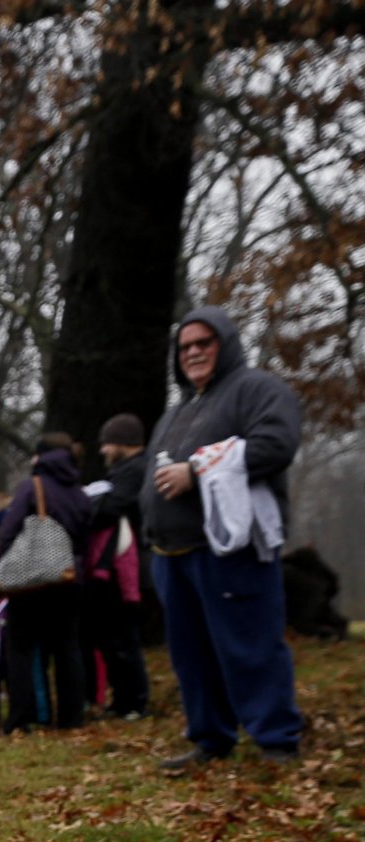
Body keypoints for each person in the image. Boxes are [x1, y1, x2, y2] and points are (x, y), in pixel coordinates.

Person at [139, 305, 305, 770]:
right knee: (192, 656)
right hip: (172, 554)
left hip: (232, 550)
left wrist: (196, 470)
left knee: (250, 644)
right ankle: (211, 738)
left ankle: (276, 739)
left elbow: (277, 444)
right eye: (185, 346)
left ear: (225, 344)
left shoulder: (257, 390)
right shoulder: (177, 412)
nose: (193, 353)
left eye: (203, 343)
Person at [0, 433, 95, 732]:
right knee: (67, 647)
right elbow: (85, 539)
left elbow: (9, 532)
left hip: (31, 581)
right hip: (68, 577)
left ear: (40, 457)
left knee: (20, 647)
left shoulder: (31, 488)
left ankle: (22, 716)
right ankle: (71, 716)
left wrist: (3, 568)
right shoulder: (80, 493)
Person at [85, 414, 153, 720]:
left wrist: (94, 506)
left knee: (123, 638)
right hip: (119, 564)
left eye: (107, 443)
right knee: (114, 638)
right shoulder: (128, 471)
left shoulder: (133, 472)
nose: (103, 450)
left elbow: (112, 510)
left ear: (122, 443)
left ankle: (134, 701)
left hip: (124, 564)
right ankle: (124, 699)